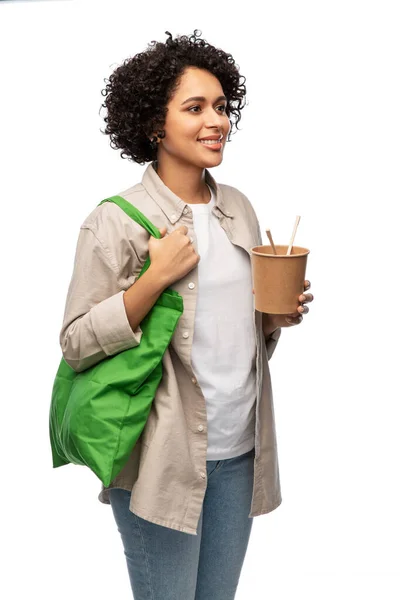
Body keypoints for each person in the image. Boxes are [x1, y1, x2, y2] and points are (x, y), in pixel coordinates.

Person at [60, 29, 314, 600]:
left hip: (240, 449)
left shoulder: (239, 208)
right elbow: (75, 342)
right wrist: (153, 279)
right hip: (161, 458)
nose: (217, 121)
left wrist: (276, 320)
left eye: (222, 107)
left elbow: (235, 334)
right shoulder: (114, 221)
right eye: (195, 107)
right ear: (155, 124)